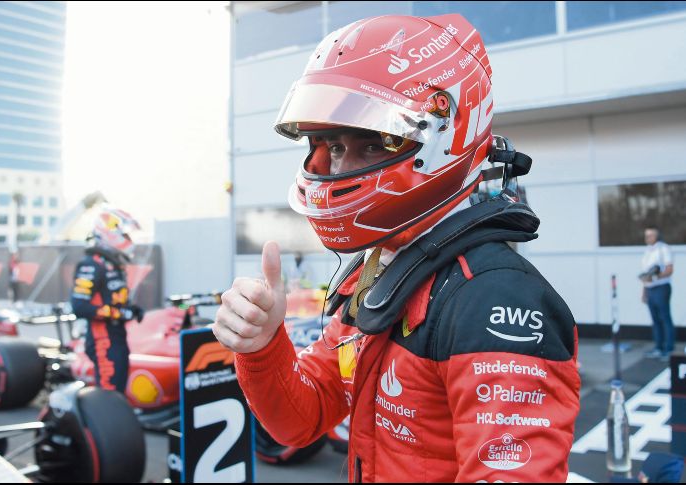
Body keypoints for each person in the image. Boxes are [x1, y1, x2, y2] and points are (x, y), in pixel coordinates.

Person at [213, 13, 580, 483]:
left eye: (374, 144)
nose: (341, 165)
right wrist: (264, 345)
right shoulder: (383, 270)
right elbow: (302, 421)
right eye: (335, 148)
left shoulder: (497, 302)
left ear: (446, 136)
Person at [70, 205, 144, 394]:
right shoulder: (91, 265)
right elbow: (79, 306)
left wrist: (131, 309)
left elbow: (110, 299)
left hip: (116, 336)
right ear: (110, 233)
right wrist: (120, 313)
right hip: (102, 338)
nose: (128, 239)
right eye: (124, 234)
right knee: (109, 393)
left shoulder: (113, 264)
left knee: (118, 388)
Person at [639, 226, 674, 360]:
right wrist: (644, 291)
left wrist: (654, 277)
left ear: (657, 236)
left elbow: (669, 269)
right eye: (646, 235)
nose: (647, 238)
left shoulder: (663, 249)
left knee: (665, 318)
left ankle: (668, 349)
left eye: (650, 235)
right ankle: (658, 347)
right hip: (650, 289)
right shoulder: (647, 251)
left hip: (661, 287)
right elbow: (645, 275)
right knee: (655, 320)